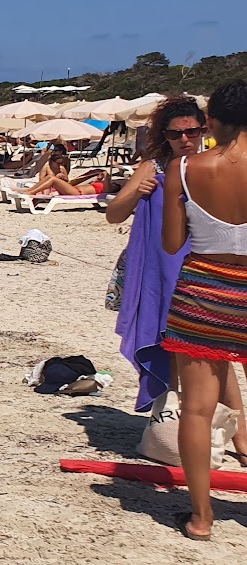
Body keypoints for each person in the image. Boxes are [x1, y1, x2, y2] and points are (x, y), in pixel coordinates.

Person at [107, 97, 247, 445]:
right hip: (159, 268)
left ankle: (240, 435)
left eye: (193, 131)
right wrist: (137, 192)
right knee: (168, 346)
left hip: (203, 270)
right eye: (176, 134)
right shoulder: (153, 167)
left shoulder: (212, 165)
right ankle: (168, 427)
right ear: (164, 136)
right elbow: (114, 215)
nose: (186, 139)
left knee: (216, 354)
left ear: (205, 129)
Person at [162, 81, 247, 541]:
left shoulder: (186, 168)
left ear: (210, 121)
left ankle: (201, 518)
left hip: (204, 288)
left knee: (196, 409)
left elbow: (172, 243)